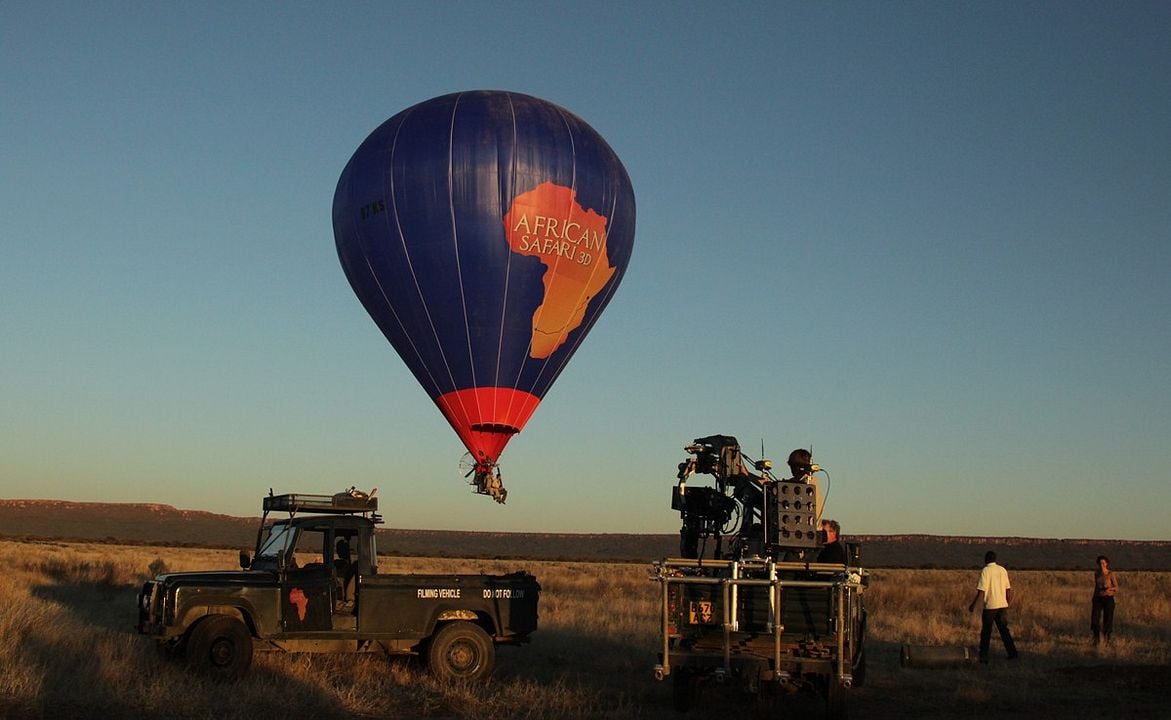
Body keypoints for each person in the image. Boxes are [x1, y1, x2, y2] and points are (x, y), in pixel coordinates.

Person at [967, 551, 1019, 663]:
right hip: (1002, 605)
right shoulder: (1002, 570)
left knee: (986, 631)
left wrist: (973, 605)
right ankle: (1013, 653)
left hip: (990, 606)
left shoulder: (985, 570)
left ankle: (984, 656)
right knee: (1004, 630)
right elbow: (1007, 589)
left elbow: (981, 590)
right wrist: (1007, 602)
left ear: (986, 559)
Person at [1091, 554, 1119, 646]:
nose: (1101, 565)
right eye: (1099, 563)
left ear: (1106, 564)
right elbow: (1096, 586)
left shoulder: (1111, 574)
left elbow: (1116, 588)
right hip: (1098, 598)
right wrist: (1094, 597)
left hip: (1108, 598)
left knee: (1108, 619)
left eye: (1103, 563)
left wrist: (1109, 589)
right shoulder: (1096, 574)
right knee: (1095, 619)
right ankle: (1096, 639)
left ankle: (1107, 639)